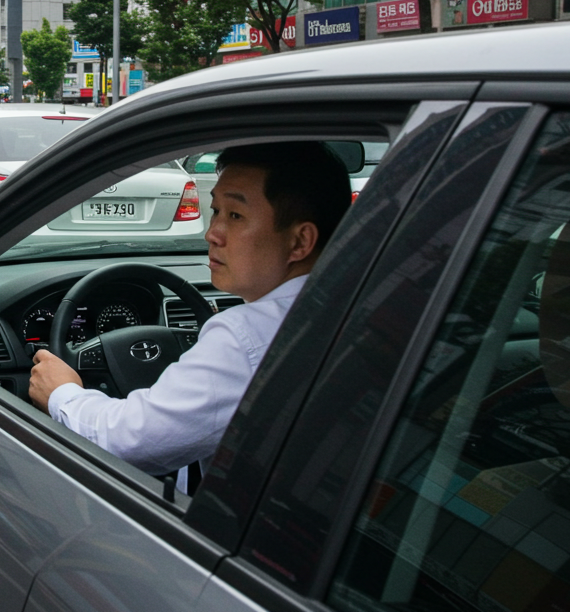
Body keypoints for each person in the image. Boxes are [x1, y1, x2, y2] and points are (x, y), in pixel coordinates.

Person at [28, 142, 352, 489]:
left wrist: (61, 393)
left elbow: (129, 441)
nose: (212, 233)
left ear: (300, 241)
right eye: (215, 211)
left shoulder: (244, 337)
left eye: (235, 216)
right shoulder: (350, 303)